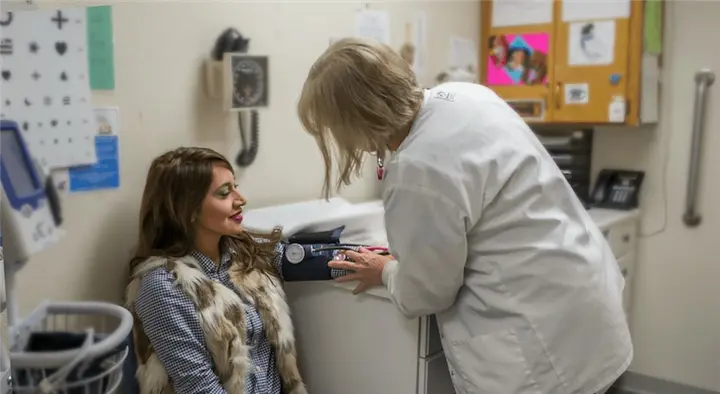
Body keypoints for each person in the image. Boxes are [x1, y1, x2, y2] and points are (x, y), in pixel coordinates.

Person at [297, 38, 632, 394]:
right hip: (585, 301)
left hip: (544, 346)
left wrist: (386, 270)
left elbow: (426, 294)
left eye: (334, 126)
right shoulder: (466, 95)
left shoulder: (418, 169)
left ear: (358, 116)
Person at [125, 147, 351, 394]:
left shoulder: (241, 252)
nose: (241, 199)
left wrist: (372, 263)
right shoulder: (163, 286)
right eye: (224, 193)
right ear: (188, 210)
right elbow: (198, 386)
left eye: (235, 186)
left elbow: (305, 261)